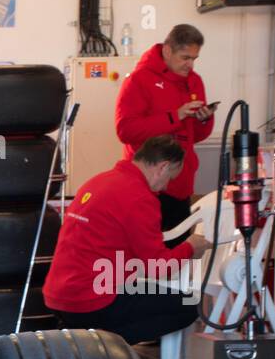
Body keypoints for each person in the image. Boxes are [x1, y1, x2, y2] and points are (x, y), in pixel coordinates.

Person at [43, 135, 211, 345]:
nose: (165, 187)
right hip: (91, 300)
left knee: (136, 286)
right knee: (191, 304)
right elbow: (158, 267)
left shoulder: (97, 181)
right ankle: (102, 344)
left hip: (58, 295)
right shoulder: (140, 197)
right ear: (163, 167)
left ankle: (84, 336)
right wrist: (190, 247)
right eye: (169, 178)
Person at [115, 24, 214, 246]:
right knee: (148, 263)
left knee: (179, 263)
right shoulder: (139, 80)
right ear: (167, 51)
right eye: (185, 57)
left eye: (194, 58)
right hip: (149, 186)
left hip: (181, 184)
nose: (190, 64)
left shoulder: (194, 81)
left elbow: (195, 136)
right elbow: (126, 130)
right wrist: (174, 116)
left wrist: (204, 119)